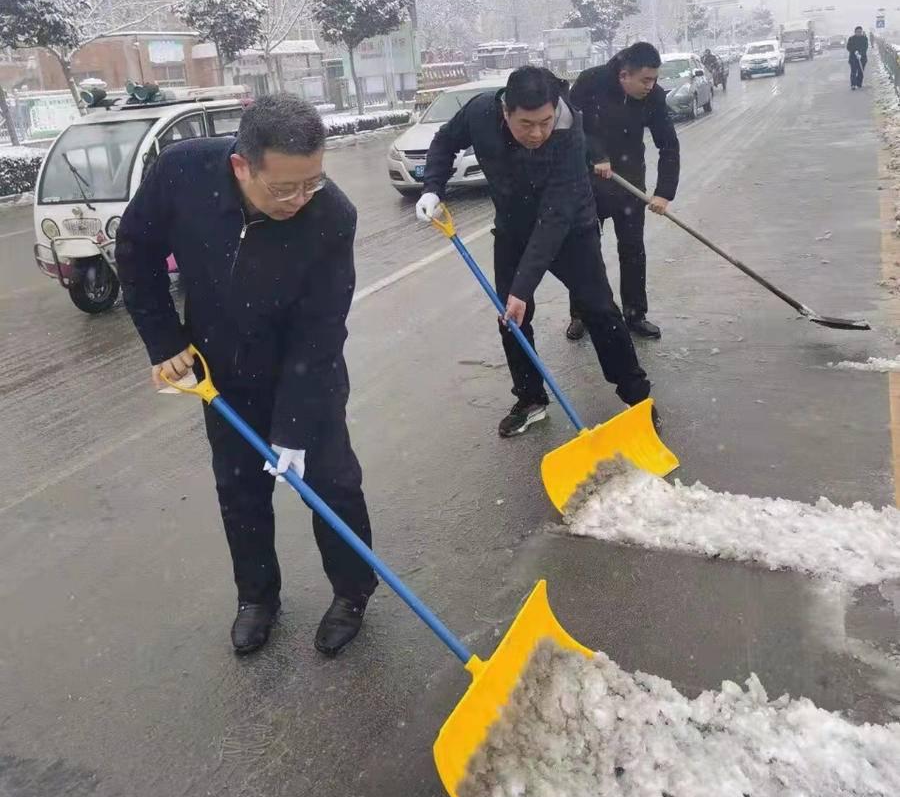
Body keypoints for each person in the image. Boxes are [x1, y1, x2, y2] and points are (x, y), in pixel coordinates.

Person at [116, 95, 378, 656]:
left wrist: (291, 430)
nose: (299, 199)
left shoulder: (331, 216)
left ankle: (352, 593)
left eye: (312, 182)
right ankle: (257, 598)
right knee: (239, 490)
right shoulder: (182, 172)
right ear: (242, 165)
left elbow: (322, 328)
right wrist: (164, 341)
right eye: (283, 188)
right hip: (223, 371)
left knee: (333, 487)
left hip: (306, 374)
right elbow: (135, 250)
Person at [415, 66, 651, 437]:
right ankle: (531, 399)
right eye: (527, 123)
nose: (538, 132)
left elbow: (556, 214)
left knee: (600, 310)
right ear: (505, 111)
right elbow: (445, 142)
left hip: (570, 228)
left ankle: (637, 397)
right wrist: (432, 187)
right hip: (513, 229)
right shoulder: (478, 113)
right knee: (511, 318)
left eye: (545, 121)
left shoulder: (568, 130)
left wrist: (523, 287)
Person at [565, 42, 680, 343]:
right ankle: (581, 313)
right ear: (623, 75)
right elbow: (571, 127)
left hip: (629, 183)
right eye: (645, 80)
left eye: (654, 79)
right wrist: (597, 153)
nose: (651, 86)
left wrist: (664, 193)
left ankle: (634, 313)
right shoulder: (591, 82)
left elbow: (668, 144)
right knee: (585, 252)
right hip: (588, 183)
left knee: (632, 250)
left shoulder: (652, 97)